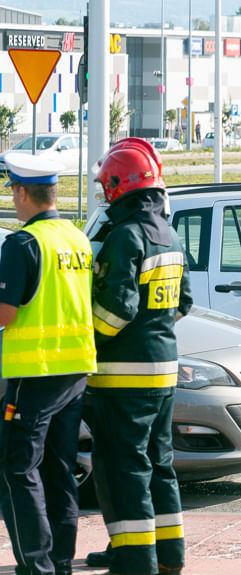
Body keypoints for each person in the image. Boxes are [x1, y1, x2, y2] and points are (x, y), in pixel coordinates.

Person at [87, 138, 193, 575]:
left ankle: (135, 559)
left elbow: (117, 310)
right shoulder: (165, 233)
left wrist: (86, 337)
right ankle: (169, 555)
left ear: (119, 186)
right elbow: (183, 303)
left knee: (121, 467)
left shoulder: (126, 235)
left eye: (106, 185)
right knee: (159, 465)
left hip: (123, 378)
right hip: (163, 373)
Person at [0, 154, 97, 575]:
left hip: (34, 374)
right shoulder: (77, 238)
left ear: (22, 192)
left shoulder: (23, 244)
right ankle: (59, 562)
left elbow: (5, 314)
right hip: (74, 371)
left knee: (17, 468)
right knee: (59, 470)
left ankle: (34, 565)